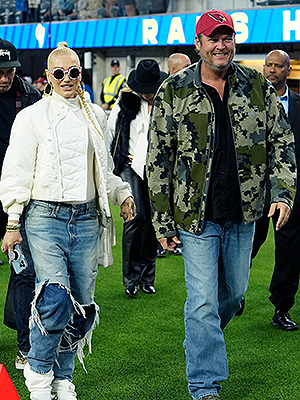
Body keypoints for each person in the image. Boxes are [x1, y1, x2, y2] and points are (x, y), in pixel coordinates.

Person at [146, 10, 296, 400]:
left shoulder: (257, 85)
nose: (221, 44)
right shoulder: (175, 90)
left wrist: (282, 194)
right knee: (202, 302)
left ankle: (199, 339)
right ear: (198, 44)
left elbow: (282, 142)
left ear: (234, 42)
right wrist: (161, 223)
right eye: (213, 38)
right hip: (194, 216)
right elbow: (158, 158)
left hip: (244, 214)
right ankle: (204, 385)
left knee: (231, 297)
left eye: (227, 37)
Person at [0, 41, 135, 400]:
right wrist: (13, 223)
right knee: (55, 298)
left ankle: (64, 379)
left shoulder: (96, 115)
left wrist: (122, 194)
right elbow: (17, 171)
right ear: (48, 76)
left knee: (80, 305)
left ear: (81, 74)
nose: (67, 78)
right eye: (58, 73)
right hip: (44, 217)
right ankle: (39, 375)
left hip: (88, 219)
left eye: (73, 72)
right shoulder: (31, 117)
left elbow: (103, 170)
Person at [247, 50, 300, 330]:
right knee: (246, 245)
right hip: (254, 190)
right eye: (268, 65)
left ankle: (281, 308)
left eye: (278, 66)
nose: (271, 70)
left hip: (290, 191)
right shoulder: (249, 103)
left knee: (289, 252)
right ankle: (235, 292)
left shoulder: (299, 105)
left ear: (287, 71)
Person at [108, 59, 167, 296]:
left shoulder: (166, 103)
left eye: (153, 90)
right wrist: (118, 162)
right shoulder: (124, 105)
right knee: (135, 218)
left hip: (158, 171)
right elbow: (111, 134)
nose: (149, 94)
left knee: (153, 221)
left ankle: (147, 277)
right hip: (129, 167)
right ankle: (131, 279)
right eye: (146, 91)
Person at [0, 38, 41, 369]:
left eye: (9, 70)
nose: (4, 77)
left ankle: (25, 344)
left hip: (19, 195)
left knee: (22, 269)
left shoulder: (31, 97)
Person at [156, 52, 191, 258]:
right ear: (175, 70)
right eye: (187, 65)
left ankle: (177, 241)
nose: (192, 68)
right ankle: (162, 240)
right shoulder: (164, 93)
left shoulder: (193, 91)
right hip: (165, 165)